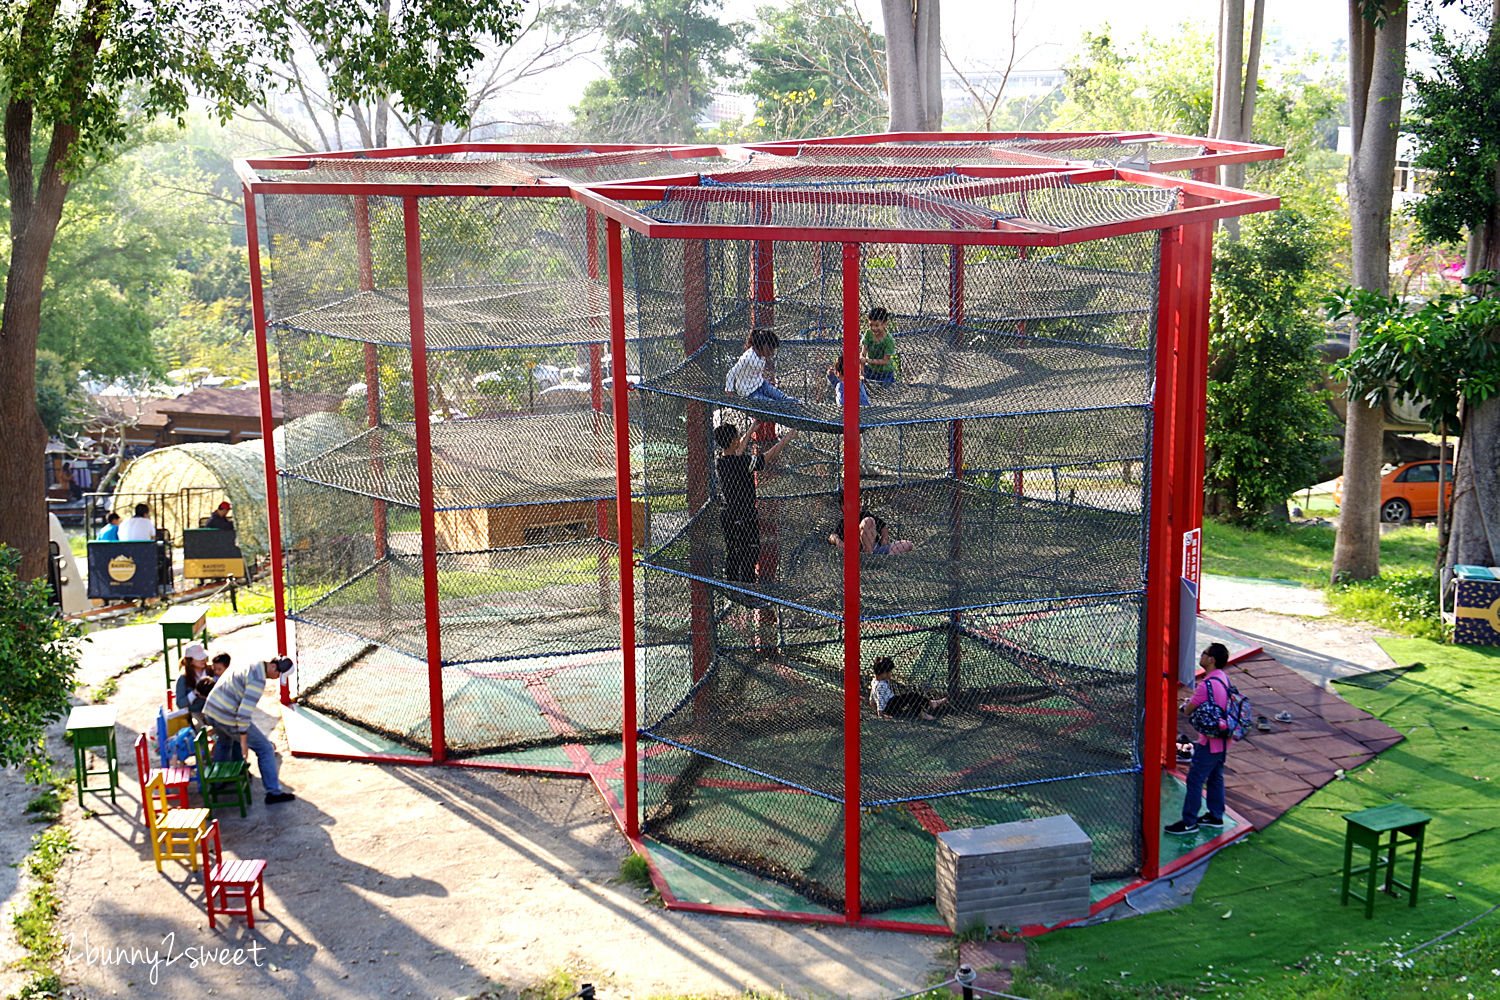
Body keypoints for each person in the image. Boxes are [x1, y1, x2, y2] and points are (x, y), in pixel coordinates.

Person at [203, 655, 297, 804]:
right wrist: (243, 741)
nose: (276, 678)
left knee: (224, 741)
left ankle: (217, 783)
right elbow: (243, 714)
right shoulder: (258, 680)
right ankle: (273, 792)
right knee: (265, 748)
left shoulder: (250, 662)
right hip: (226, 714)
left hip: (211, 710)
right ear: (273, 667)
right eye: (278, 675)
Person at [714, 420, 797, 584]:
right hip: (745, 515)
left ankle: (733, 586)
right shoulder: (742, 463)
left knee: (733, 551)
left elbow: (736, 452)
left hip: (728, 515)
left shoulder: (721, 461)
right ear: (733, 441)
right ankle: (748, 590)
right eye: (738, 437)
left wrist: (752, 429)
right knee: (749, 553)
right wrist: (786, 439)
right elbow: (767, 457)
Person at [1166, 642, 1233, 835]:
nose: (1201, 656)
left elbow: (1189, 709)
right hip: (1222, 739)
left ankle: (1189, 822)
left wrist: (1185, 705)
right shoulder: (1223, 678)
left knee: (1195, 779)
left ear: (1211, 660)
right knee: (1215, 777)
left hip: (1208, 742)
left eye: (1204, 654)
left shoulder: (1207, 685)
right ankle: (1215, 815)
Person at [725, 328, 800, 405]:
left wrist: (764, 380)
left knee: (784, 398)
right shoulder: (748, 357)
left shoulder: (762, 356)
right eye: (771, 349)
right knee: (773, 405)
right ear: (765, 346)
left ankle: (800, 405)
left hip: (761, 384)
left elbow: (755, 372)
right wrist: (729, 391)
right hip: (749, 392)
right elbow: (731, 373)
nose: (772, 353)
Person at [869, 657, 947, 721]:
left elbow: (872, 698)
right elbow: (880, 699)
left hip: (891, 703)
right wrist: (880, 713)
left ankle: (926, 708)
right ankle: (927, 707)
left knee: (911, 697)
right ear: (884, 673)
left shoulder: (874, 682)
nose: (890, 674)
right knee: (911, 696)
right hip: (891, 705)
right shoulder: (881, 685)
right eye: (890, 672)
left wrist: (873, 706)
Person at [829, 508, 914, 556]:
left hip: (876, 547)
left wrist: (884, 540)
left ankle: (883, 559)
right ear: (844, 507)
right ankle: (868, 557)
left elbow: (883, 528)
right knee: (868, 521)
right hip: (858, 550)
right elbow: (832, 536)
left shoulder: (866, 514)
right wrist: (838, 541)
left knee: (907, 544)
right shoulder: (843, 522)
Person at [175, 642, 212, 723]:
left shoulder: (211, 670)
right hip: (195, 714)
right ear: (190, 661)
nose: (203, 660)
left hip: (213, 710)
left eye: (203, 657)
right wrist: (195, 693)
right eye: (199, 658)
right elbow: (180, 703)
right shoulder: (183, 679)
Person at [863, 306, 897, 385]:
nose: (873, 328)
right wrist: (861, 372)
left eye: (877, 325)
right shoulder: (868, 333)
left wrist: (867, 360)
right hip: (871, 370)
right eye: (871, 325)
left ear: (884, 324)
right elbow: (863, 354)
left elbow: (885, 361)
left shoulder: (889, 340)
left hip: (885, 373)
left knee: (885, 393)